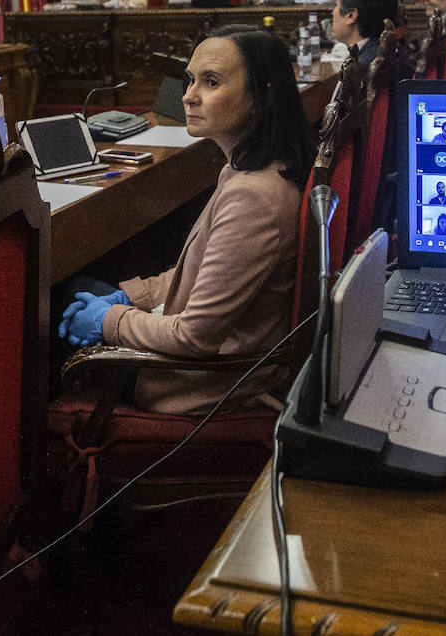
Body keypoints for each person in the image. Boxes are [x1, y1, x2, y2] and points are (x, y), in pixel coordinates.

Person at [56, 25, 316, 414]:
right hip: (208, 352)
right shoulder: (252, 170)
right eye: (190, 80)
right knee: (76, 288)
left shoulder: (253, 197)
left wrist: (108, 320)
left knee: (54, 300)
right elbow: (197, 275)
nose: (189, 97)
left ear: (263, 96)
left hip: (196, 382)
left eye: (210, 82)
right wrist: (131, 297)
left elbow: (193, 338)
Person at [332, 0, 410, 80]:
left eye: (336, 5)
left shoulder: (360, 70)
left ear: (351, 15)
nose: (333, 12)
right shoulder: (393, 52)